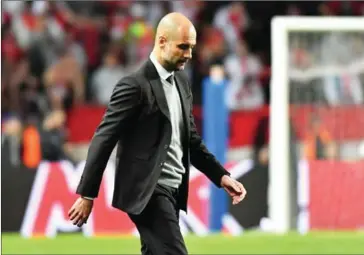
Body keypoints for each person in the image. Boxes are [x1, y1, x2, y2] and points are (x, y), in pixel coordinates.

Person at [68, 12, 247, 255]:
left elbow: (191, 141)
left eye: (192, 48)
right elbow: (104, 137)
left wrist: (221, 177)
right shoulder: (134, 85)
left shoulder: (182, 84)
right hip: (148, 191)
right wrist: (87, 194)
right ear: (162, 41)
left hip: (173, 191)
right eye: (183, 47)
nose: (189, 54)